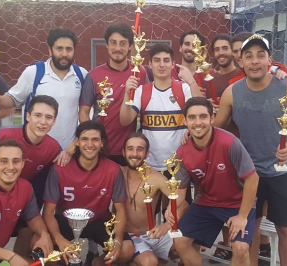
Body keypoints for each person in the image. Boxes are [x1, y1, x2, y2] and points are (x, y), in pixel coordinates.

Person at [213, 34, 287, 266]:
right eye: (249, 56)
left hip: (282, 172)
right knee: (250, 230)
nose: (255, 61)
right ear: (241, 62)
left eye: (260, 55)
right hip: (248, 175)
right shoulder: (232, 92)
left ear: (270, 61)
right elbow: (216, 131)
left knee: (285, 231)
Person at [166, 97, 259, 266]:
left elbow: (252, 179)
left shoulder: (229, 143)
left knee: (240, 248)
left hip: (238, 203)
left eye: (203, 116)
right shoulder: (182, 152)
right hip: (207, 202)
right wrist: (170, 208)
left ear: (212, 118)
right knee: (180, 242)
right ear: (185, 120)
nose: (197, 122)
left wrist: (242, 216)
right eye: (192, 117)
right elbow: (180, 190)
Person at [120, 44, 202, 209]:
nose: (162, 64)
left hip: (178, 165)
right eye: (157, 61)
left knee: (176, 212)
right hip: (150, 164)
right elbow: (125, 120)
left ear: (173, 64)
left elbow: (200, 109)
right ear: (150, 64)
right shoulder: (143, 91)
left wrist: (191, 81)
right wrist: (127, 93)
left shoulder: (183, 88)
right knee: (149, 211)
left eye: (166, 60)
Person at [42, 121, 134, 266]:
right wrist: (59, 239)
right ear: (77, 142)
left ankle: (95, 263)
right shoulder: (60, 168)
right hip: (65, 221)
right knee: (43, 247)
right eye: (85, 139)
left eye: (95, 140)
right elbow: (48, 212)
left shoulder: (113, 170)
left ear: (102, 143)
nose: (90, 144)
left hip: (99, 221)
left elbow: (121, 210)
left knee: (127, 250)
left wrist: (117, 240)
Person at [0, 28, 87, 154]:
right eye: (59, 48)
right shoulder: (33, 73)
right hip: (35, 149)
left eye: (69, 49)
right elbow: (13, 100)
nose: (64, 54)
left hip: (68, 151)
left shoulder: (82, 75)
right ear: (50, 50)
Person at [79, 23, 148, 166]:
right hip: (100, 150)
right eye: (113, 43)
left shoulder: (140, 73)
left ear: (130, 46)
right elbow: (84, 112)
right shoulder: (94, 75)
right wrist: (90, 139)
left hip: (129, 152)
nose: (117, 48)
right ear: (106, 45)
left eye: (123, 43)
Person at [0, 139, 52, 266]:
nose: (11, 167)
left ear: (22, 163)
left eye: (16, 161)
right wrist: (11, 256)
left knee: (47, 257)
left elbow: (33, 217)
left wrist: (44, 234)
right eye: (4, 161)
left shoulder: (25, 187)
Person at [121, 132, 187, 266]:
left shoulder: (156, 178)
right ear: (123, 152)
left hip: (152, 233)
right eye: (130, 149)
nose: (134, 154)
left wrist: (167, 225)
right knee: (149, 262)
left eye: (140, 149)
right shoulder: (116, 174)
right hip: (129, 236)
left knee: (186, 245)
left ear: (147, 153)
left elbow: (183, 203)